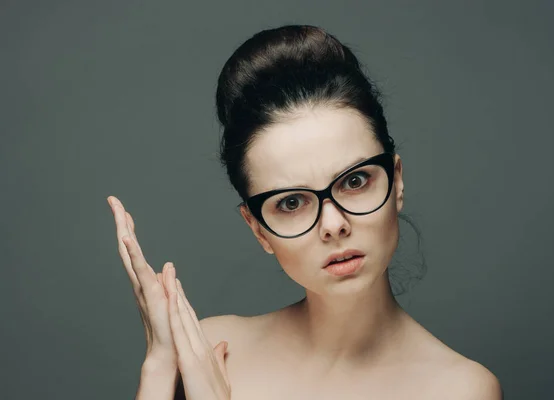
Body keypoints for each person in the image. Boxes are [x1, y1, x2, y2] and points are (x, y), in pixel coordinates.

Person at [108, 25, 503, 400]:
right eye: (291, 203)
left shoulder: (460, 389)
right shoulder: (210, 350)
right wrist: (159, 368)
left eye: (355, 181)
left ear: (396, 181)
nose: (334, 225)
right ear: (258, 229)